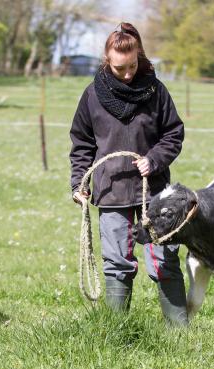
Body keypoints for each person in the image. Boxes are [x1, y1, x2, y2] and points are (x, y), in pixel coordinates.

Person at [69, 22, 187, 325]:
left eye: (132, 65)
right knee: (117, 263)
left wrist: (155, 160)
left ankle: (179, 330)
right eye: (120, 67)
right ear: (108, 60)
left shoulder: (156, 91)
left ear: (139, 56)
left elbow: (173, 134)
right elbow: (81, 144)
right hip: (111, 191)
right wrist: (79, 183)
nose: (127, 73)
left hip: (155, 192)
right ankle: (115, 330)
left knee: (164, 260)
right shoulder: (92, 95)